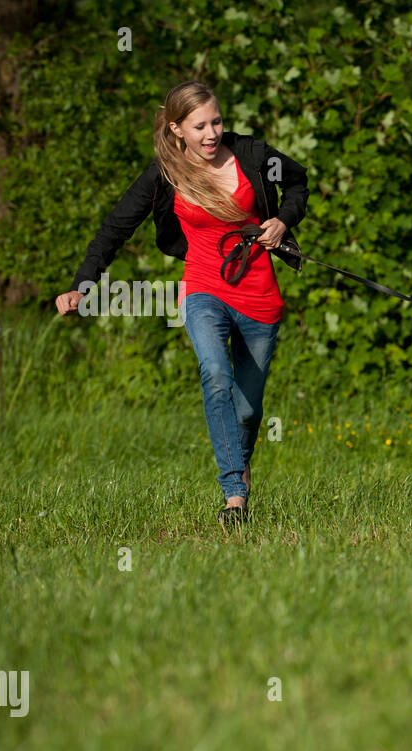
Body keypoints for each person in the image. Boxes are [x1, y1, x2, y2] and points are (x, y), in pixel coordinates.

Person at [55, 80, 309, 526]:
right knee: (215, 375)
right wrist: (83, 284)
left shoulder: (251, 155)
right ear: (177, 128)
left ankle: (241, 462)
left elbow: (298, 183)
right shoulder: (165, 174)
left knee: (248, 408)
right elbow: (115, 228)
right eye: (200, 126)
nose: (211, 133)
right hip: (203, 288)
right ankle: (234, 495)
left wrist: (281, 222)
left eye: (216, 121)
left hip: (258, 294)